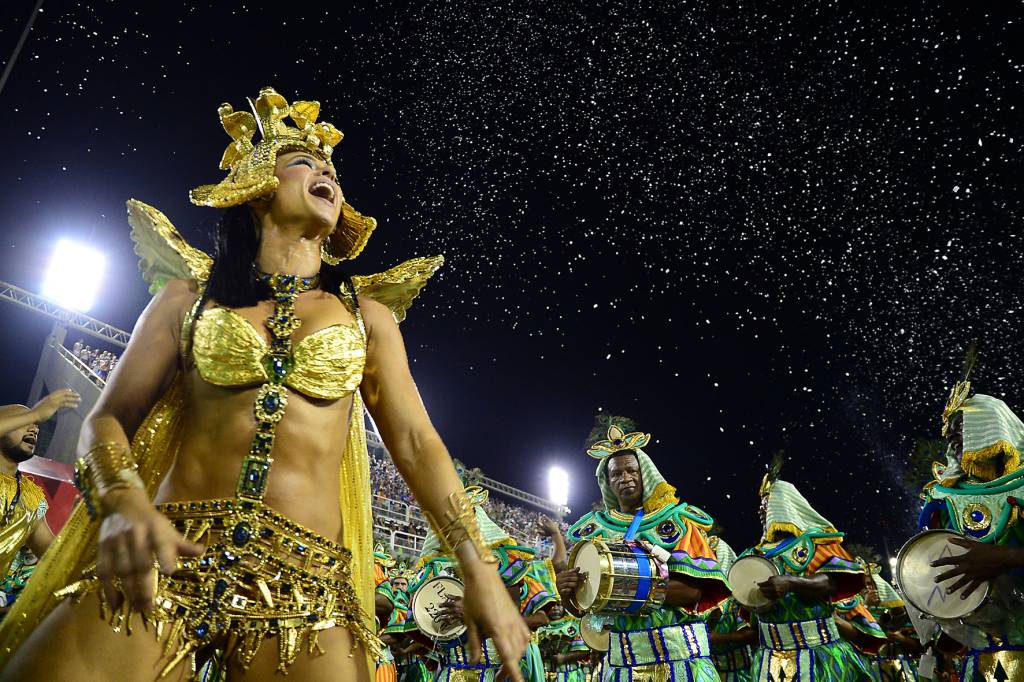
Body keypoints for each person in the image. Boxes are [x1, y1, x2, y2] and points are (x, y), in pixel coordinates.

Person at [0, 87, 530, 681]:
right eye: (304, 162)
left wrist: (477, 564)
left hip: (307, 589)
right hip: (171, 555)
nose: (326, 169)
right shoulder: (187, 301)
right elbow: (107, 421)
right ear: (256, 189)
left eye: (330, 166)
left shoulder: (366, 318)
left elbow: (415, 444)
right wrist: (123, 503)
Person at [556, 416, 730, 681]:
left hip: (680, 662)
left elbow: (691, 592)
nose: (625, 478)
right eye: (616, 473)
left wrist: (619, 583)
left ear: (644, 473)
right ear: (607, 482)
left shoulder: (679, 521)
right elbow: (587, 609)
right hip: (621, 666)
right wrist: (568, 593)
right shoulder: (596, 532)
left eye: (631, 470)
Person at [916, 376, 1024, 680]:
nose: (953, 440)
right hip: (982, 655)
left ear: (993, 429)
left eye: (962, 430)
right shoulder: (944, 498)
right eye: (950, 433)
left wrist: (1007, 558)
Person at [738, 460, 875, 681]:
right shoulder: (751, 555)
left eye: (767, 503)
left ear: (785, 504)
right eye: (761, 505)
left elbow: (831, 582)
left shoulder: (818, 543)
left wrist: (790, 583)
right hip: (771, 661)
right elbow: (746, 605)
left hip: (821, 656)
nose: (761, 510)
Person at [407, 485, 551, 682]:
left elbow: (520, 619)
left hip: (494, 672)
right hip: (449, 673)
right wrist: (445, 642)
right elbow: (415, 626)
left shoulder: (502, 560)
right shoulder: (431, 568)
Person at [0, 390, 81, 612]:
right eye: (23, 422)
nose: (34, 427)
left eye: (37, 424)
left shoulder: (32, 497)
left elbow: (53, 556)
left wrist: (80, 525)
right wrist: (35, 412)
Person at [706, 536, 754, 682]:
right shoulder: (697, 601)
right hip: (710, 673)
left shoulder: (736, 598)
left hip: (740, 674)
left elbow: (751, 635)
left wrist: (711, 638)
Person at [536, 603, 589, 682]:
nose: (555, 608)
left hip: (570, 676)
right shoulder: (538, 627)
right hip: (543, 674)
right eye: (551, 605)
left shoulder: (573, 625)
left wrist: (565, 657)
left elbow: (583, 651)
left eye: (559, 605)